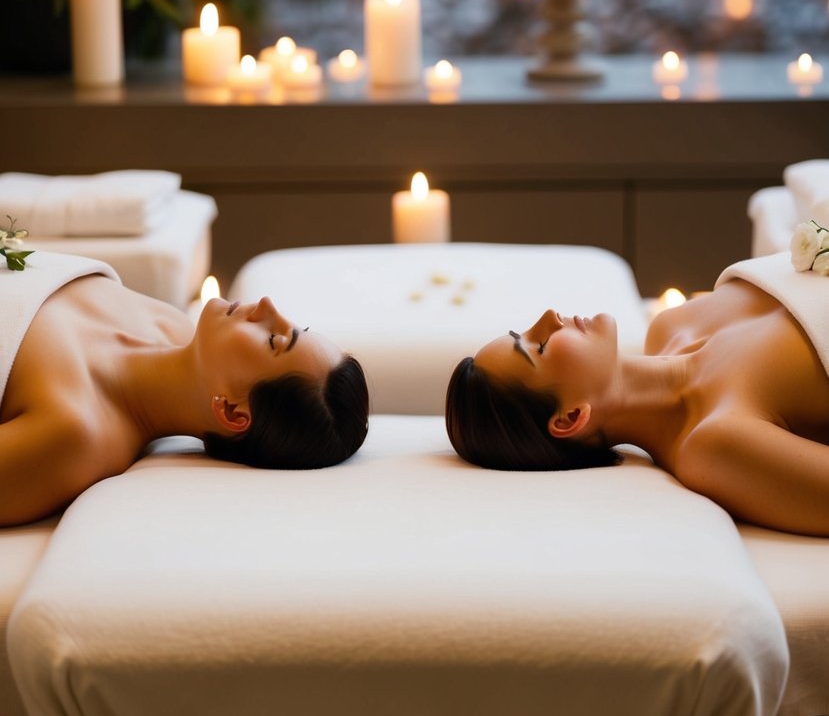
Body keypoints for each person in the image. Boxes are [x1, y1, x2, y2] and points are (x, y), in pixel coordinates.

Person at [445, 252, 829, 537]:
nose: (549, 316)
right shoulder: (712, 443)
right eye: (539, 346)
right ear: (570, 417)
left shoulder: (672, 324)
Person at [0, 250, 368, 528]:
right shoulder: (166, 323)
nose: (269, 305)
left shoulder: (75, 434)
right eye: (296, 326)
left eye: (273, 340)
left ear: (232, 411)